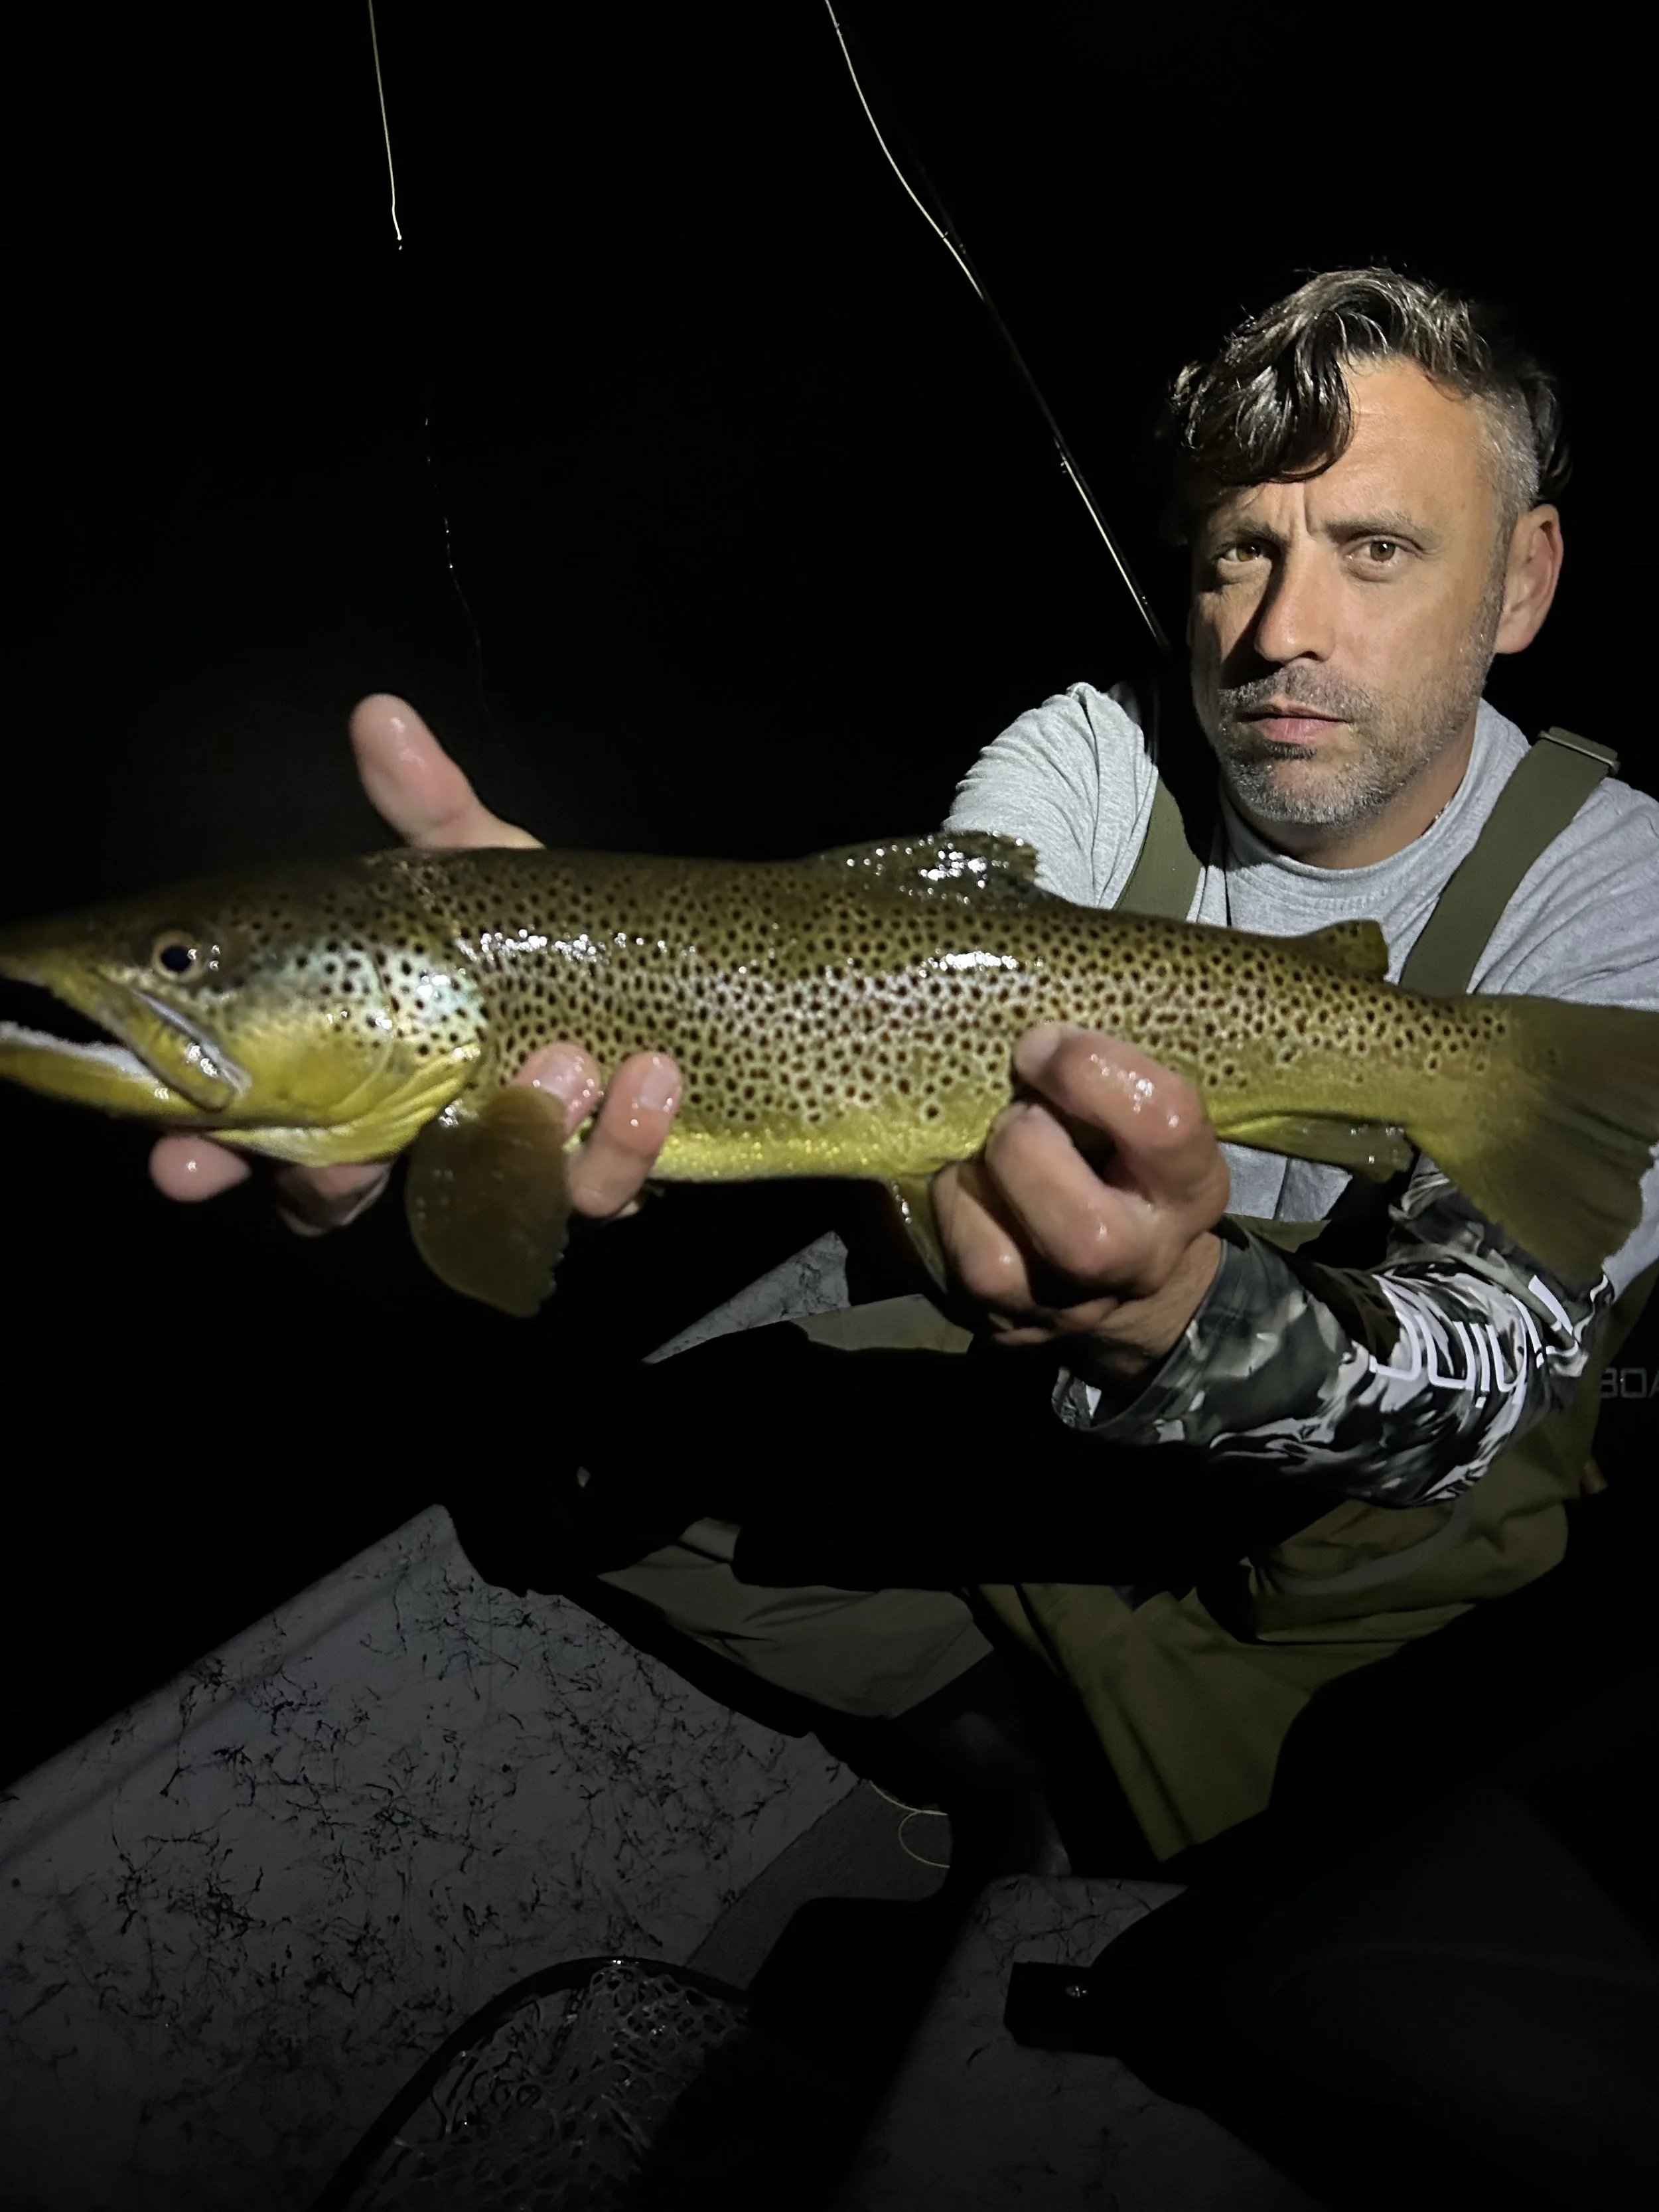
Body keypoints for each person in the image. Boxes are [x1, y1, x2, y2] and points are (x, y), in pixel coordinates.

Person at [151, 268, 1659, 1870]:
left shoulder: (1617, 901)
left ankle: (1107, 1782)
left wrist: (1176, 1324)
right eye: (1238, 553)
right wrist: (548, 955)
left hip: (1353, 1588)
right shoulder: (1090, 752)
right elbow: (874, 951)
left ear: (1518, 578)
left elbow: (1480, 1398)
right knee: (576, 1480)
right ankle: (1001, 1753)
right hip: (1049, 1456)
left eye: (1374, 549)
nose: (1281, 630)